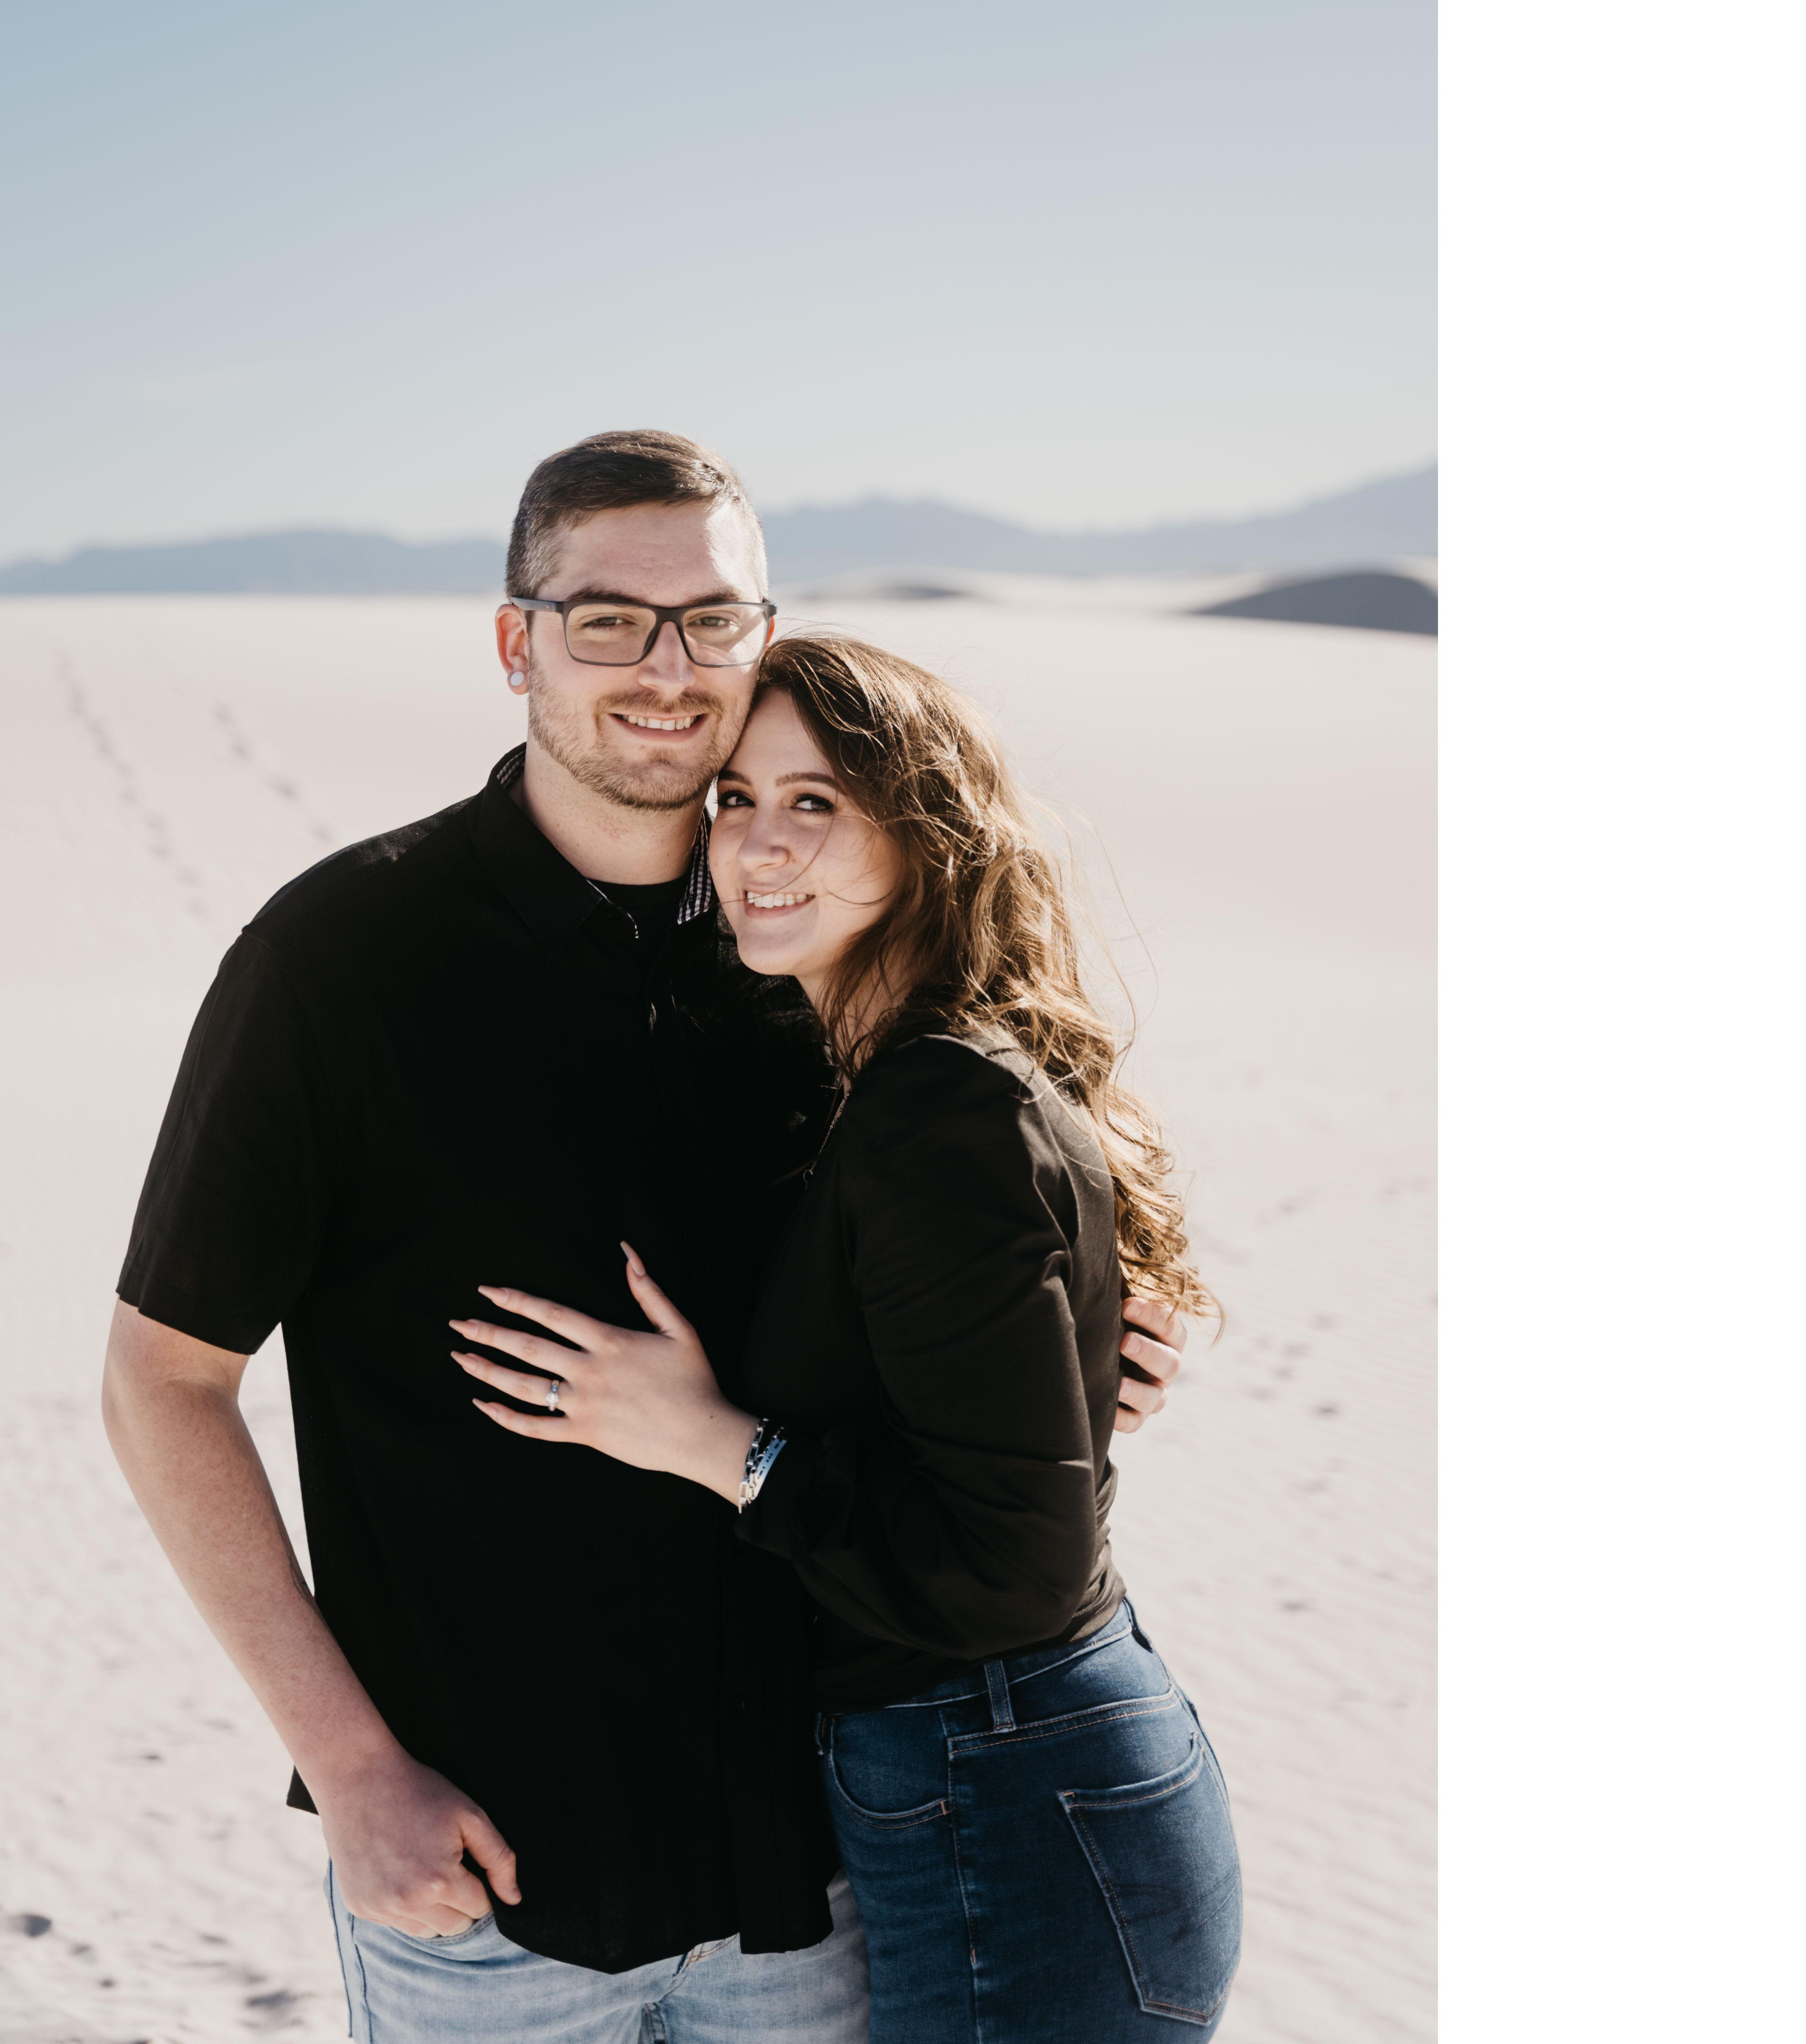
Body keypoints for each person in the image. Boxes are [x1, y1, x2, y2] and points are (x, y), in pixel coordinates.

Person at [101, 432, 1188, 2043]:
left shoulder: (810, 942)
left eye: (712, 619)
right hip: (485, 1879)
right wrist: (349, 1766)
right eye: (607, 618)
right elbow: (161, 1381)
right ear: (515, 641)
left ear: (764, 635)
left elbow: (957, 1260)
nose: (667, 669)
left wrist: (1075, 1341)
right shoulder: (340, 961)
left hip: (820, 1868)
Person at [454, 631, 1240, 2041]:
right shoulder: (885, 1078)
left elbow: (1013, 1568)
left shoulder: (937, 1109)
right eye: (735, 799)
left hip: (1015, 1791)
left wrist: (722, 1448)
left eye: (813, 801)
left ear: (926, 833)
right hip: (1006, 1780)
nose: (757, 843)